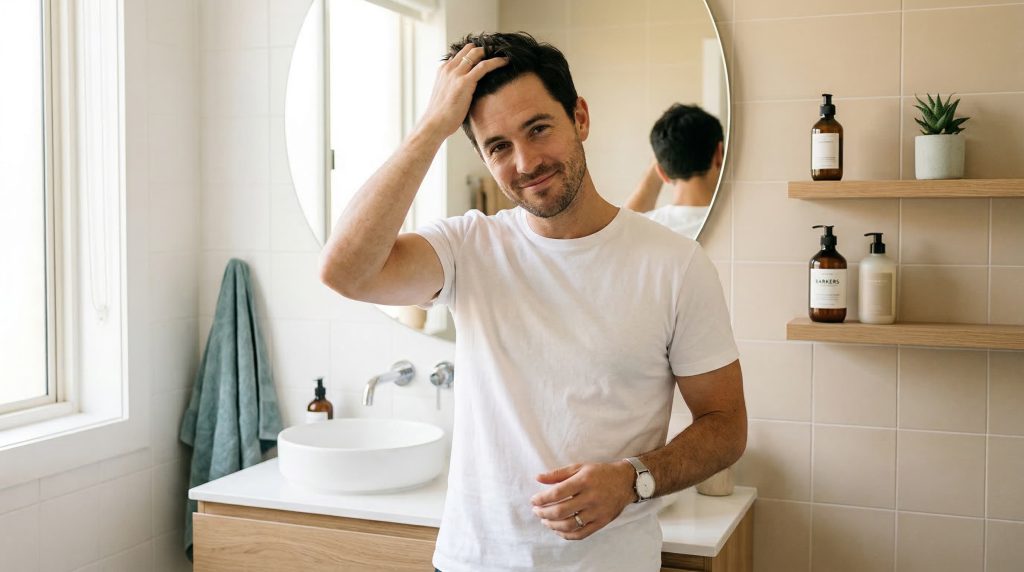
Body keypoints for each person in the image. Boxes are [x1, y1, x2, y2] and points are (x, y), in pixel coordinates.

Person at [319, 32, 746, 572]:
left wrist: (633, 479)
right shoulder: (466, 247)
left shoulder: (675, 264)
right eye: (498, 146)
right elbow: (345, 272)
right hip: (471, 562)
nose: (525, 162)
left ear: (580, 118)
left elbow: (726, 426)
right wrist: (431, 127)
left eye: (538, 128)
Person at [624, 104, 725, 239]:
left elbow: (621, 226)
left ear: (661, 172)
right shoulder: (738, 223)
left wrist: (662, 158)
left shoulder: (644, 229)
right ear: (719, 153)